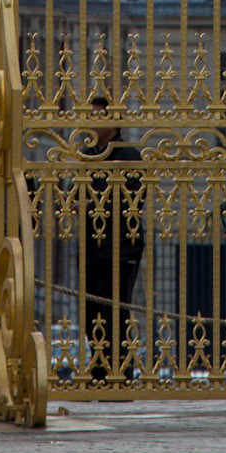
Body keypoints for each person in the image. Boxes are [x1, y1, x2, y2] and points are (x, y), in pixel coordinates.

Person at [79, 94, 145, 384]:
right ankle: (98, 371)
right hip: (92, 247)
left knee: (115, 312)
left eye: (97, 115)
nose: (91, 121)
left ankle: (120, 374)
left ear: (114, 122)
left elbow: (132, 199)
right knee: (92, 313)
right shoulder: (88, 154)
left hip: (121, 247)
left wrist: (93, 205)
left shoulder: (129, 156)